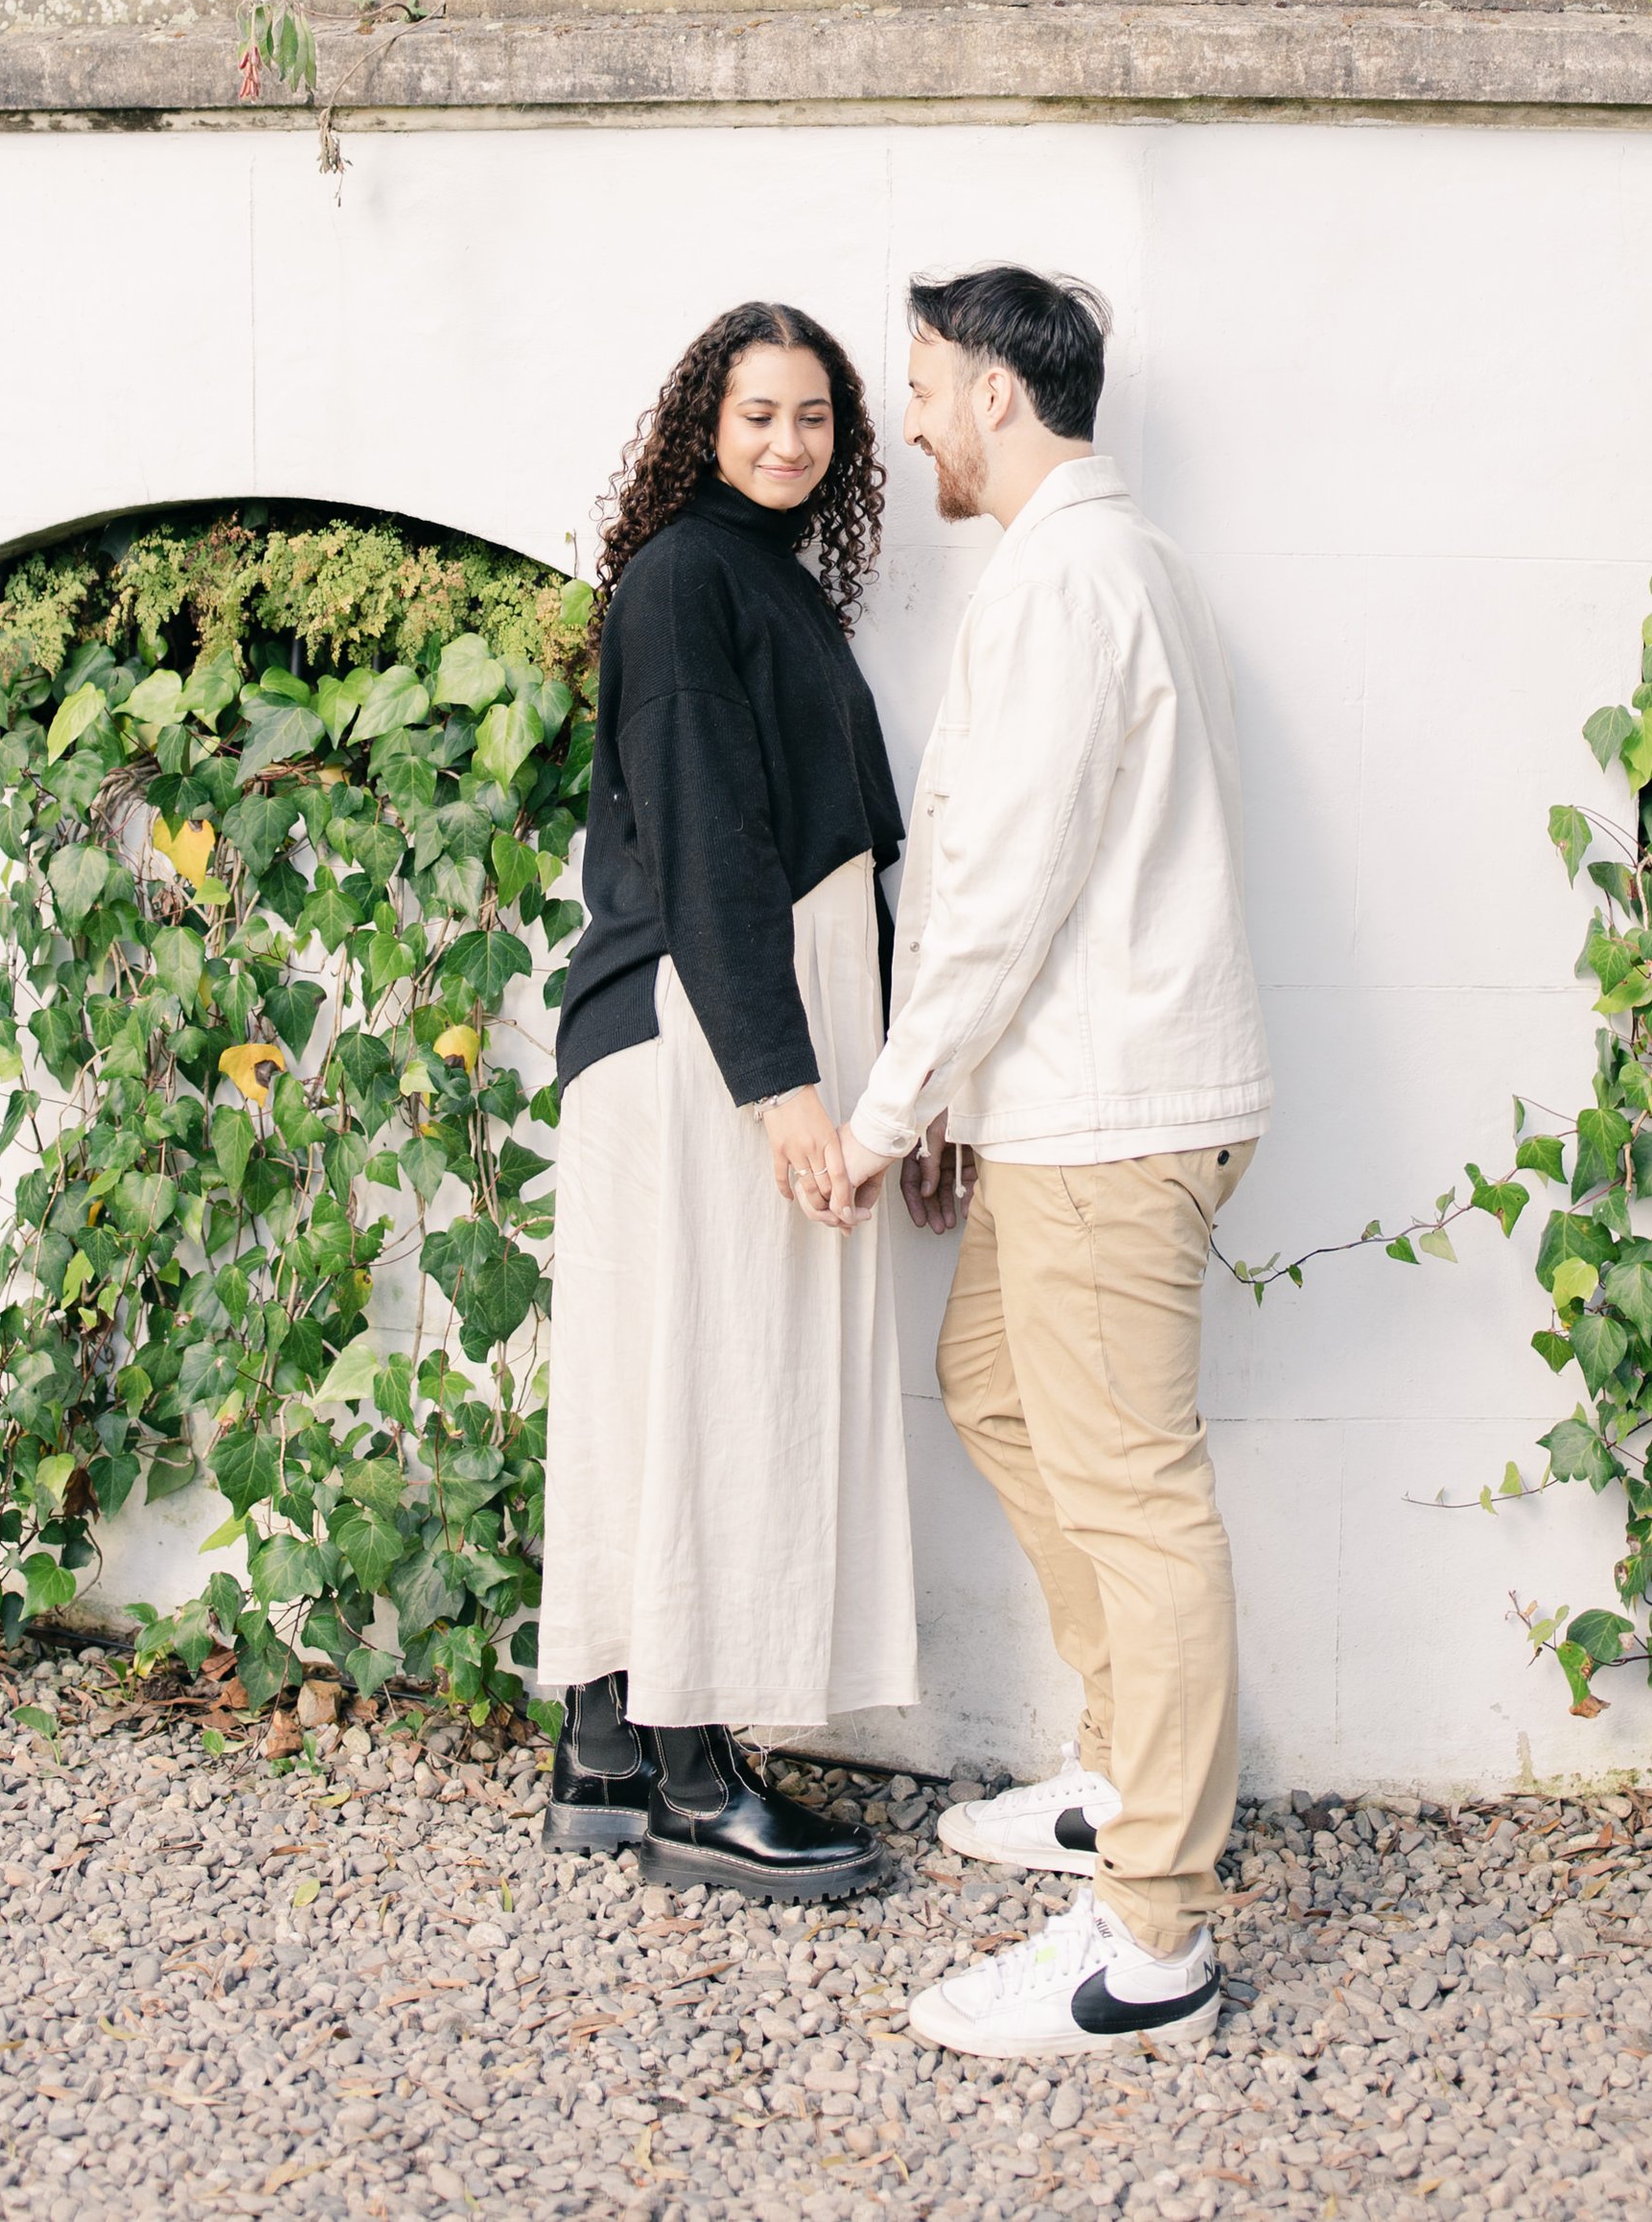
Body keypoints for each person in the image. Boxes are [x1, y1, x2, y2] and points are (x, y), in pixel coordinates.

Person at [831, 266, 1271, 2055]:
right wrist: (960, 1111)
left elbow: (1005, 887)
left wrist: (882, 1109)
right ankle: (1116, 1762)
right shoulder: (1111, 564)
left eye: (927, 382)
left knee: (1138, 1493)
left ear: (1001, 393)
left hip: (1112, 1116)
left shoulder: (1075, 576)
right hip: (1071, 1106)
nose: (914, 417)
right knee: (995, 1384)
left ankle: (1147, 1941)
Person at [539, 301, 915, 1901]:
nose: (787, 441)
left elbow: (845, 858)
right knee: (698, 1383)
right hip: (702, 1030)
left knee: (659, 1381)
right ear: (705, 422)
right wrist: (789, 1088)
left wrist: (895, 1073)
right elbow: (704, 838)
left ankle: (610, 1748)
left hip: (736, 1024)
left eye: (814, 416)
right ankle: (691, 1775)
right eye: (758, 412)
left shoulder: (771, 585)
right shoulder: (690, 579)